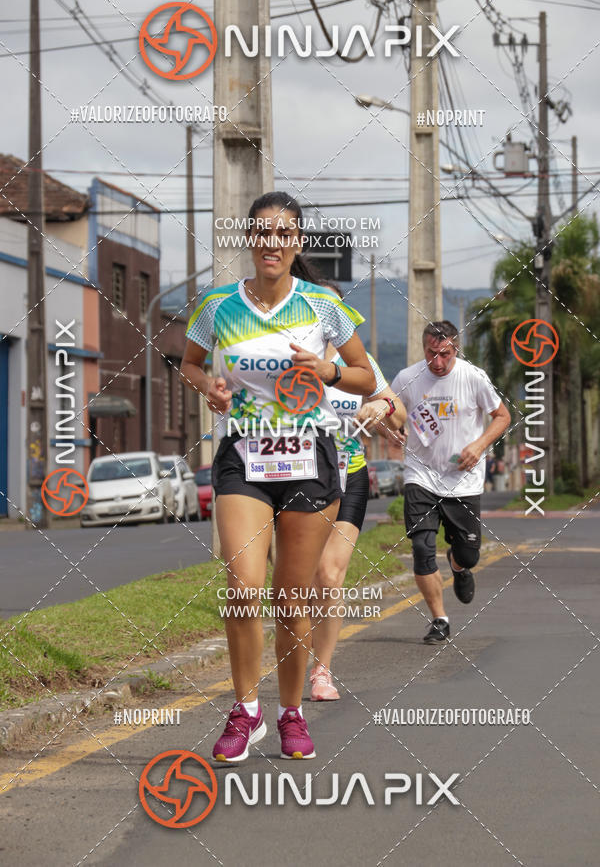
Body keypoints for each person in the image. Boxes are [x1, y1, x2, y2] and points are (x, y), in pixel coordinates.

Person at [180, 191, 376, 760]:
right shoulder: (218, 306)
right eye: (261, 233)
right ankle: (245, 711)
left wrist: (328, 369)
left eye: (283, 234)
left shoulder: (323, 305)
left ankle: (291, 713)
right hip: (244, 455)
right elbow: (190, 361)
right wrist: (208, 387)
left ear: (296, 243)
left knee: (291, 600)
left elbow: (365, 376)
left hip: (307, 458)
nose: (271, 243)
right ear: (250, 239)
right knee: (243, 590)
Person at [310, 281, 407, 700]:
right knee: (300, 582)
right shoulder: (284, 354)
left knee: (330, 576)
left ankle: (321, 671)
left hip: (349, 474)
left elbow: (398, 411)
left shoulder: (361, 361)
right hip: (296, 477)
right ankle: (292, 656)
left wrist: (380, 406)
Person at [391, 321, 511, 644]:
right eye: (432, 354)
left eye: (445, 354)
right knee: (421, 548)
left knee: (469, 554)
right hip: (421, 476)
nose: (438, 362)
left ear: (455, 349)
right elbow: (391, 415)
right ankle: (439, 619)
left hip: (463, 481)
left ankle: (458, 567)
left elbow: (503, 416)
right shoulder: (407, 378)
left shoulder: (473, 377)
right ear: (423, 348)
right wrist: (391, 428)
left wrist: (479, 445)